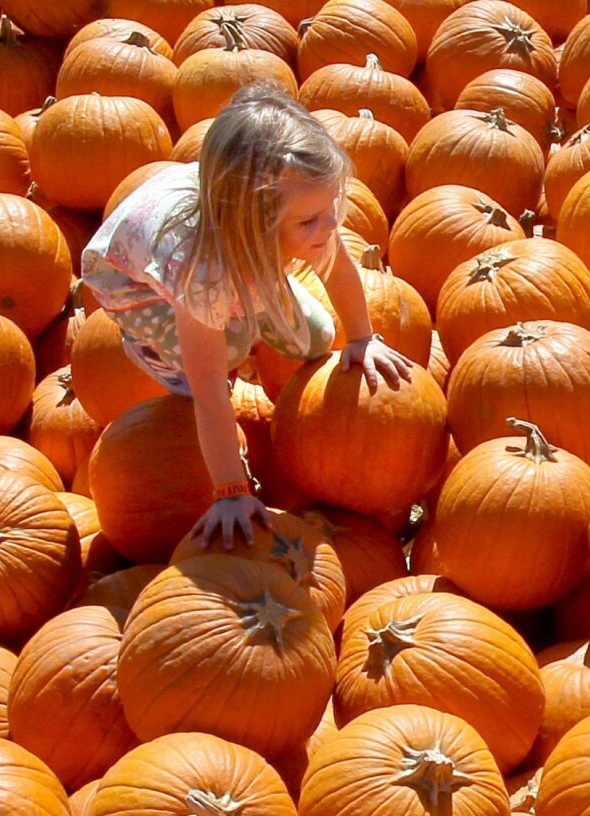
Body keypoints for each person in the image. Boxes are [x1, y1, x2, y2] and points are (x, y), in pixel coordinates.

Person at [80, 83, 413, 549]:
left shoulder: (305, 211)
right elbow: (213, 399)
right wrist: (230, 491)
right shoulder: (203, 275)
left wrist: (363, 338)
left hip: (239, 249)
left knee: (318, 336)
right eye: (310, 221)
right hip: (132, 282)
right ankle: (151, 350)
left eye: (329, 209)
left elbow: (339, 267)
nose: (330, 225)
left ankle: (256, 290)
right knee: (222, 354)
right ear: (254, 226)